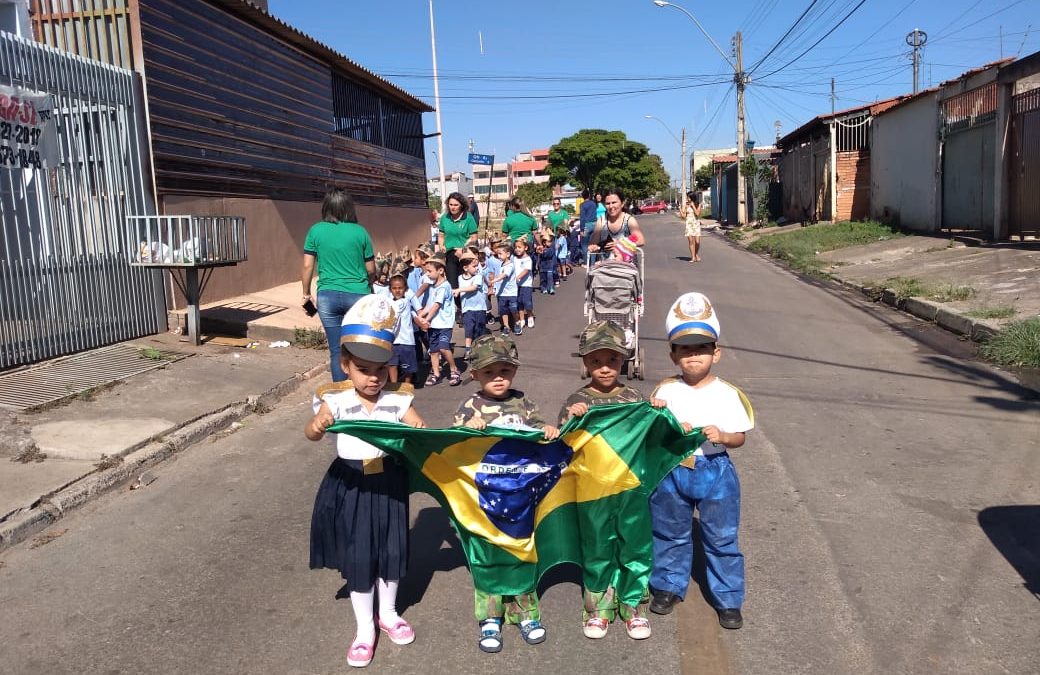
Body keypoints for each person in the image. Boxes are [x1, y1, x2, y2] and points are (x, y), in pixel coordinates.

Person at [305, 294, 427, 668]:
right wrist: (317, 424)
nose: (372, 377)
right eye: (362, 368)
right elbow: (311, 434)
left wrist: (422, 430)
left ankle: (387, 614)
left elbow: (422, 432)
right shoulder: (335, 399)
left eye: (380, 369)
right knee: (361, 556)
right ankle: (364, 629)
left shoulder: (398, 400)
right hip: (352, 484)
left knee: (391, 551)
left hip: (389, 483)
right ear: (345, 365)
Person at [647, 292, 754, 631]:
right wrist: (659, 415)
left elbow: (740, 437)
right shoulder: (665, 391)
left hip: (715, 471)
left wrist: (722, 436)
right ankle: (667, 586)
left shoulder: (728, 393)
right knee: (669, 532)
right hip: (673, 470)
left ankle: (728, 598)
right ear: (673, 355)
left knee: (721, 537)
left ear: (716, 353)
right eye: (685, 349)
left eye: (702, 348)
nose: (693, 355)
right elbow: (652, 432)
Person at [453, 333, 560, 653]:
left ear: (513, 371)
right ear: (475, 375)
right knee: (489, 556)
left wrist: (548, 431)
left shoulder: (524, 403)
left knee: (522, 552)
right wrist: (464, 428)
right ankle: (490, 617)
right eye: (489, 372)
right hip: (484, 499)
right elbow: (453, 449)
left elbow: (541, 435)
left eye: (504, 371)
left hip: (521, 499)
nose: (498, 378)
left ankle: (526, 613)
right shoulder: (468, 407)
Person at [557, 320, 651, 640]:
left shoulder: (636, 398)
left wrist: (657, 409)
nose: (605, 368)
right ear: (585, 363)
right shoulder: (577, 400)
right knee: (597, 547)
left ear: (623, 360)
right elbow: (561, 442)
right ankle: (597, 609)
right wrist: (571, 416)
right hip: (592, 490)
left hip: (630, 488)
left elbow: (652, 436)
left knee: (633, 545)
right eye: (596, 361)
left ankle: (633, 605)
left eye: (612, 360)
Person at [301, 187, 376, 382]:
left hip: (327, 295)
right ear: (349, 208)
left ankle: (340, 396)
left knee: (336, 350)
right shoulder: (360, 232)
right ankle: (361, 388)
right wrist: (370, 284)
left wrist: (306, 293)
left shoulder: (315, 230)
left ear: (326, 207)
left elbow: (307, 266)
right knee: (359, 346)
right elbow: (370, 269)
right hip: (358, 295)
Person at [417, 252, 461, 386]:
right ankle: (436, 373)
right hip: (434, 325)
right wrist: (420, 315)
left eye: (430, 271)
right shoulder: (432, 287)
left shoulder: (444, 287)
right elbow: (429, 305)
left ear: (440, 270)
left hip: (444, 325)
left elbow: (436, 306)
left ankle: (454, 369)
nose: (427, 274)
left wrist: (427, 319)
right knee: (434, 351)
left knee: (443, 347)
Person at [438, 191, 479, 305]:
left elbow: (474, 236)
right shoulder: (445, 218)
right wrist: (441, 246)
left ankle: (471, 305)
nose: (453, 207)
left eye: (455, 205)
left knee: (465, 281)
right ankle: (459, 308)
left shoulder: (468, 217)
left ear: (461, 205)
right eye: (451, 204)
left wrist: (463, 247)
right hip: (450, 254)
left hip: (465, 253)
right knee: (453, 282)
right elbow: (441, 235)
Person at [588, 188, 646, 260]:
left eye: (614, 202)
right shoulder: (601, 220)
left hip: (626, 266)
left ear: (622, 203)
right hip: (605, 266)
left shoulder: (629, 220)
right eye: (608, 203)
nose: (611, 206)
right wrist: (594, 247)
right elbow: (594, 244)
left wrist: (620, 244)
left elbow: (641, 240)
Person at [453, 248, 488, 359]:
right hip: (467, 309)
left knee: (479, 329)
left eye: (477, 266)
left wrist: (459, 290)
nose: (476, 268)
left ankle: (480, 348)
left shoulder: (478, 276)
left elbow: (473, 287)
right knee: (469, 329)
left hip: (479, 308)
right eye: (474, 266)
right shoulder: (460, 278)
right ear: (465, 268)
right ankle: (468, 349)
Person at [387, 271, 421, 384]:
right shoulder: (389, 302)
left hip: (406, 340)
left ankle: (407, 385)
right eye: (394, 288)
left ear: (405, 289)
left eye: (400, 288)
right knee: (392, 365)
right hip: (393, 340)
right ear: (390, 289)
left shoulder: (404, 301)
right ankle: (393, 386)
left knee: (408, 367)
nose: (397, 290)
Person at [490, 240, 518, 337]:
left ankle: (516, 322)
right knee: (503, 310)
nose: (499, 256)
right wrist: (494, 287)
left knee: (513, 309)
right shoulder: (502, 264)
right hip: (502, 293)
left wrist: (494, 280)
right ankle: (506, 326)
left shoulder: (510, 265)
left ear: (508, 254)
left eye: (501, 254)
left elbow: (504, 275)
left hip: (511, 293)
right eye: (498, 254)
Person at [513, 237, 534, 332]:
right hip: (516, 285)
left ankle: (530, 315)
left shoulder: (528, 259)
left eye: (519, 247)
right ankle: (522, 319)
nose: (517, 249)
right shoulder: (514, 258)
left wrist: (518, 277)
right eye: (516, 247)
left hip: (526, 284)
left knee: (527, 302)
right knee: (519, 302)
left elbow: (526, 270)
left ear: (525, 248)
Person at [680, 190, 703, 263]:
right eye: (687, 197)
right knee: (691, 241)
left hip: (696, 224)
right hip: (689, 224)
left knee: (697, 242)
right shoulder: (686, 205)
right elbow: (683, 216)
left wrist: (693, 206)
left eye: (688, 197)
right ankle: (693, 257)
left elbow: (697, 214)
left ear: (692, 197)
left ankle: (696, 254)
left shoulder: (698, 204)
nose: (687, 199)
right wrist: (680, 209)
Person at [578, 189, 597, 263]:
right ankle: (593, 262)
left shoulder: (582, 205)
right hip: (594, 224)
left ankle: (587, 262)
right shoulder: (593, 204)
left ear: (582, 196)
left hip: (586, 225)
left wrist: (581, 229)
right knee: (593, 243)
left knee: (585, 244)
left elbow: (582, 218)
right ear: (589, 195)